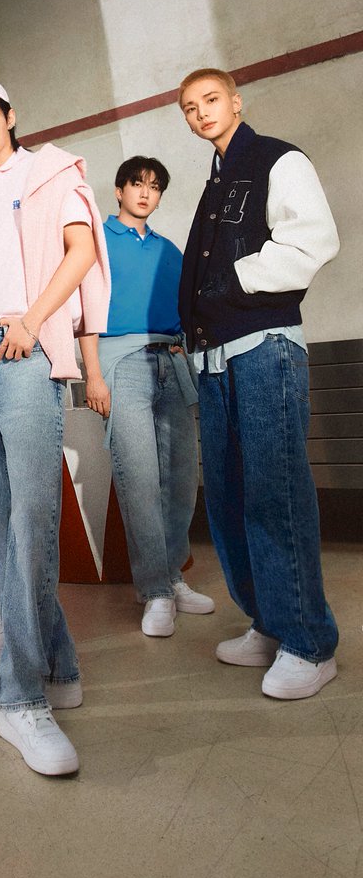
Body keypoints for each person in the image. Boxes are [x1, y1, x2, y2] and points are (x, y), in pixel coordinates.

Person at [0, 77, 110, 777]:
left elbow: (81, 252)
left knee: (34, 521)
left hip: (24, 349)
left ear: (11, 117)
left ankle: (20, 695)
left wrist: (33, 322)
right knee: (4, 527)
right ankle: (58, 668)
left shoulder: (50, 171)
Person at [178, 68, 339, 699]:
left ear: (236, 102)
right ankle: (269, 624)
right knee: (228, 498)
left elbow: (314, 240)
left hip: (265, 349)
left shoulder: (277, 158)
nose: (201, 112)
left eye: (211, 100)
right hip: (216, 357)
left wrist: (237, 279)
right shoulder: (215, 183)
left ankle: (308, 643)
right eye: (190, 107)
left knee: (276, 494)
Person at [79, 156, 213, 638]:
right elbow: (84, 313)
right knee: (138, 478)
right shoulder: (97, 241)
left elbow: (188, 310)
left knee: (180, 478)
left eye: (154, 187)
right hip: (121, 363)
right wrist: (93, 376)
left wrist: (185, 347)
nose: (144, 193)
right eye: (136, 184)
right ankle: (155, 591)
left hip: (170, 361)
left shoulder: (169, 250)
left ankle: (173, 577)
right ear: (119, 190)